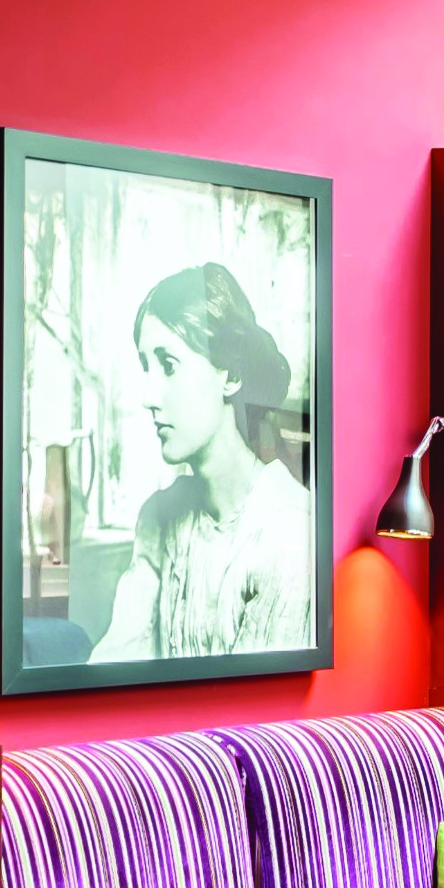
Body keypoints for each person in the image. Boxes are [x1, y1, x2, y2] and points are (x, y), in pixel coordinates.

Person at [93, 262, 309, 666]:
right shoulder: (159, 517)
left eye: (169, 365)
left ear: (230, 376)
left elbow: (254, 713)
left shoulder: (289, 529)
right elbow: (116, 664)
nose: (147, 396)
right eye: (146, 367)